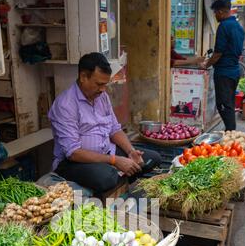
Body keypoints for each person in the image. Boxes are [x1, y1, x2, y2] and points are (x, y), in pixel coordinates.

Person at [48, 52, 161, 193]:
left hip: (107, 152)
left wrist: (130, 152)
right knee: (107, 177)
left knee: (151, 159)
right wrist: (115, 161)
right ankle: (114, 178)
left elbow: (114, 129)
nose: (103, 89)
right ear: (83, 77)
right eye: (99, 84)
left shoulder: (102, 97)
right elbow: (73, 152)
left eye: (105, 84)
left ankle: (118, 180)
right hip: (74, 163)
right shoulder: (65, 105)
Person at [201, 0, 245, 131]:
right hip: (234, 71)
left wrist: (205, 65)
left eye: (215, 13)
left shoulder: (223, 26)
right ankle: (229, 131)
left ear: (220, 12)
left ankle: (231, 132)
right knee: (229, 103)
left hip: (224, 73)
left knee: (223, 105)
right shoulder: (238, 26)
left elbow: (218, 53)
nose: (215, 16)